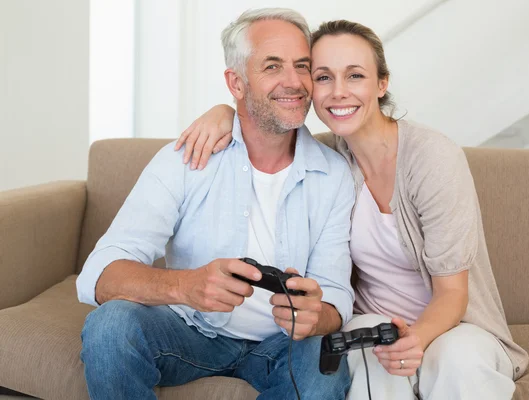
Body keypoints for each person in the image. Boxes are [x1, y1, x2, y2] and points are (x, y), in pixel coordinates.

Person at [176, 19, 529, 400]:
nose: (339, 93)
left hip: (453, 325)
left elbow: (452, 293)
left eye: (355, 75)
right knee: (364, 361)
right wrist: (224, 112)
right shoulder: (326, 158)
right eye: (324, 77)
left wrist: (415, 341)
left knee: (457, 360)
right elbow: (263, 124)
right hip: (372, 322)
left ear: (381, 83)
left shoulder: (432, 158)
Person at [76, 9, 357, 400]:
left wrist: (316, 314)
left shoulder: (334, 174)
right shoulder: (187, 157)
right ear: (236, 83)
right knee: (110, 326)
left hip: (284, 345)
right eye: (272, 66)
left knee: (324, 365)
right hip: (191, 332)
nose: (294, 82)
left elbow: (335, 294)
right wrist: (185, 286)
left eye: (303, 66)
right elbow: (98, 274)